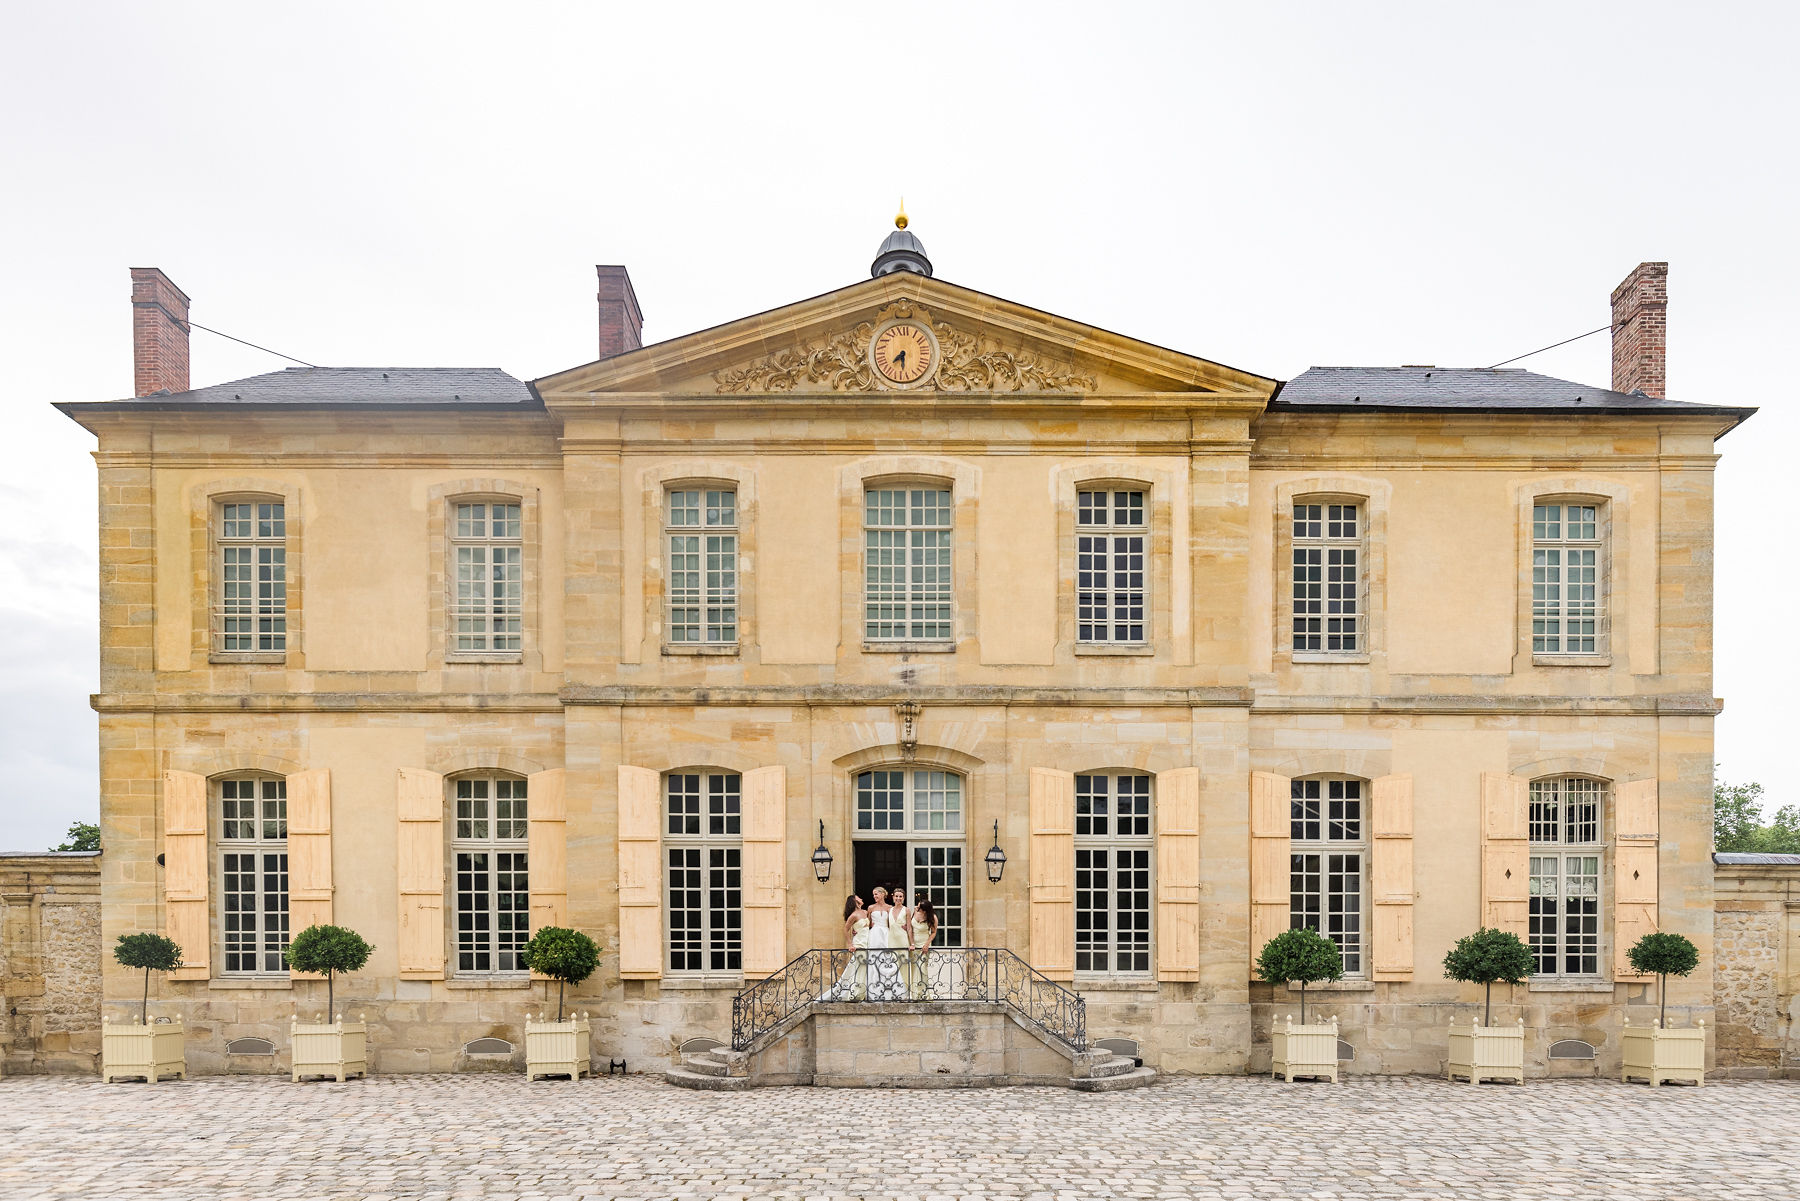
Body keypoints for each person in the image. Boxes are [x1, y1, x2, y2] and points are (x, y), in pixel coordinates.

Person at [823, 895, 868, 1001]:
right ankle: (854, 992)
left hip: (867, 941)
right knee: (859, 967)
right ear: (855, 901)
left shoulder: (865, 912)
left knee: (865, 967)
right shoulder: (853, 915)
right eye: (858, 897)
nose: (861, 898)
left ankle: (862, 991)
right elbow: (845, 929)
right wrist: (850, 944)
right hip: (859, 942)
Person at [865, 885, 902, 1000]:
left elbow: (893, 922)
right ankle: (872, 988)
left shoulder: (889, 908)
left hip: (886, 934)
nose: (874, 896)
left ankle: (890, 987)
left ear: (882, 894)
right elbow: (867, 923)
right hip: (875, 934)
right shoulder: (870, 908)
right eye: (873, 894)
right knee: (873, 957)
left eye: (876, 894)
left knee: (887, 959)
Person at [908, 896, 938, 999]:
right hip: (914, 945)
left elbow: (934, 932)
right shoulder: (915, 913)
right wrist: (912, 943)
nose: (917, 908)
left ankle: (923, 994)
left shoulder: (932, 917)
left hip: (924, 945)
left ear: (925, 910)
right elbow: (910, 929)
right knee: (914, 969)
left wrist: (926, 945)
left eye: (920, 907)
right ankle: (915, 994)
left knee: (922, 969)